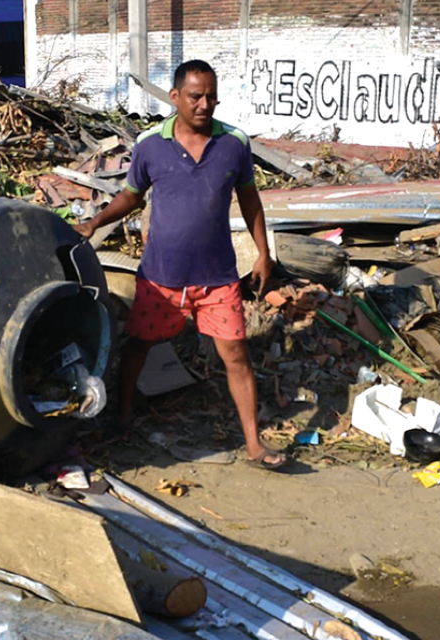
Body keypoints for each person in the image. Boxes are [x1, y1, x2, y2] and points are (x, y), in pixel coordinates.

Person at [74, 59, 288, 471]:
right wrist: (96, 221)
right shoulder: (152, 144)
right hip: (161, 277)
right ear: (175, 98)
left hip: (218, 277)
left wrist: (263, 253)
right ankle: (121, 418)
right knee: (137, 346)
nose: (205, 104)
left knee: (236, 355)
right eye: (195, 96)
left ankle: (254, 444)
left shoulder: (234, 144)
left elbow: (249, 200)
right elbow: (132, 196)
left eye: (211, 96)